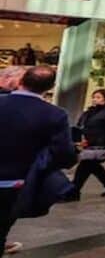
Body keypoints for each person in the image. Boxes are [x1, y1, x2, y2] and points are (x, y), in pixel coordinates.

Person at [0, 66, 77, 256]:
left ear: (21, 81)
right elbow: (63, 152)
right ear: (50, 87)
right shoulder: (55, 114)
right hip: (17, 180)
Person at [71, 88, 105, 200]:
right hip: (89, 144)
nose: (95, 99)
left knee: (85, 166)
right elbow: (80, 126)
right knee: (93, 166)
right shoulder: (90, 112)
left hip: (101, 145)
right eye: (94, 97)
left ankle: (73, 192)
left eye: (98, 97)